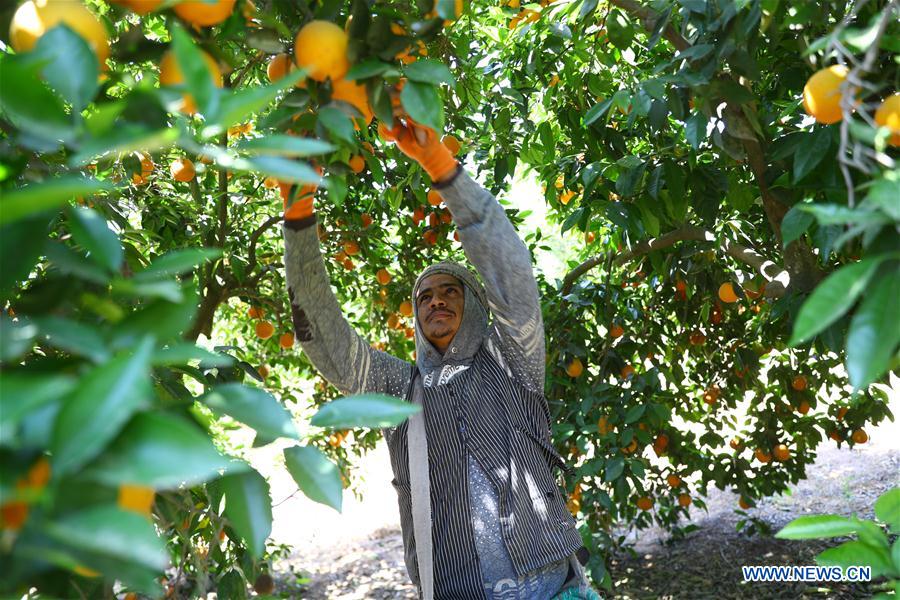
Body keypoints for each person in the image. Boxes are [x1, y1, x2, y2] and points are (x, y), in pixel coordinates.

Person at [281, 114, 601, 599]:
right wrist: (298, 218)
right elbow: (329, 343)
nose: (436, 301)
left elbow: (512, 277)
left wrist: (441, 166)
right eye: (424, 297)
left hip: (553, 587)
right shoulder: (399, 393)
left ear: (474, 301)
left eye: (451, 290)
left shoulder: (511, 358)